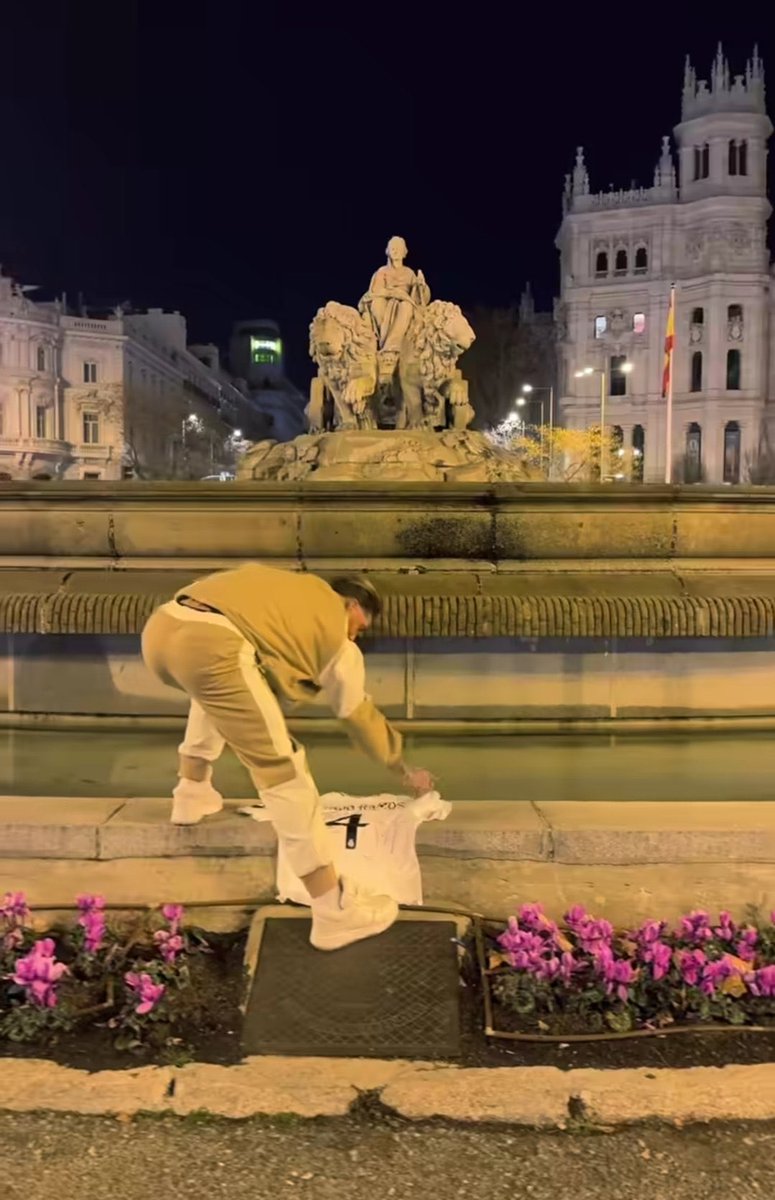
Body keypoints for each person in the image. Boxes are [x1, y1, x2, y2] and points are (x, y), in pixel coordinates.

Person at [141, 565, 435, 951]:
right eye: (360, 626)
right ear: (351, 604)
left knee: (218, 691)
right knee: (283, 768)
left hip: (161, 631)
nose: (355, 635)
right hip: (214, 644)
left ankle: (191, 790)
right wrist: (403, 766)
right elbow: (357, 714)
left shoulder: (286, 591)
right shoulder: (336, 636)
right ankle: (333, 909)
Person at [359, 235, 430, 377]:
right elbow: (375, 293)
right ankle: (385, 345)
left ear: (404, 252)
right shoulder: (381, 272)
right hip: (385, 300)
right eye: (392, 248)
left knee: (406, 307)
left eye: (398, 249)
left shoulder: (409, 273)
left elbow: (419, 298)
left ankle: (392, 348)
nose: (395, 251)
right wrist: (393, 293)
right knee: (377, 305)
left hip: (405, 302)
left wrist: (421, 286)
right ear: (388, 251)